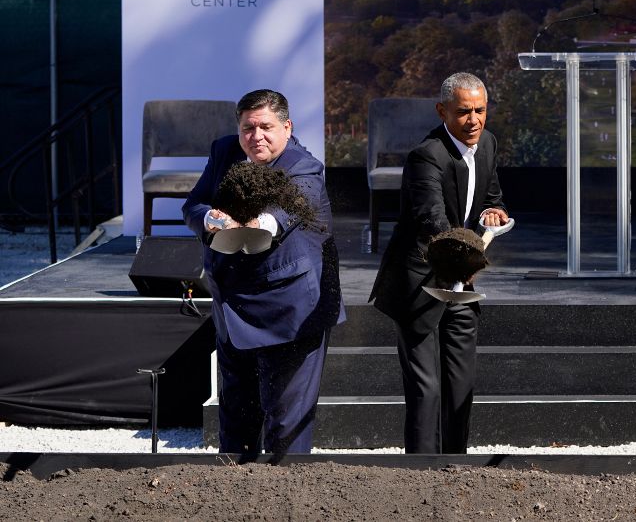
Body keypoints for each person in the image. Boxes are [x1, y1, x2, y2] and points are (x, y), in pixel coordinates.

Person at [183, 89, 345, 455]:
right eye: (248, 128)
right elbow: (193, 204)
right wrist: (210, 218)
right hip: (233, 306)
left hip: (291, 309)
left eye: (266, 127)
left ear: (286, 127)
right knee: (236, 418)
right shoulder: (223, 151)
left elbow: (289, 207)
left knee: (285, 425)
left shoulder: (304, 165)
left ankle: (287, 500)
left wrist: (262, 224)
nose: (256, 137)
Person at [369, 72, 508, 454]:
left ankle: (454, 467)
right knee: (426, 389)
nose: (474, 120)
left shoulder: (488, 144)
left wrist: (495, 210)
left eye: (481, 110)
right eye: (464, 112)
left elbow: (491, 195)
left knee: (460, 384)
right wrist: (466, 255)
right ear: (442, 111)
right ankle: (420, 474)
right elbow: (433, 219)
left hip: (461, 281)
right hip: (419, 283)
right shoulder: (425, 156)